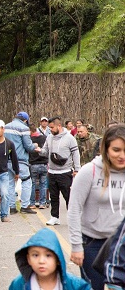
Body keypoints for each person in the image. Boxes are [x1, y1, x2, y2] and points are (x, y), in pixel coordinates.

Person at [67, 124, 125, 289]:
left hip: (121, 245)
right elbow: (74, 210)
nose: (122, 156)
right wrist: (76, 246)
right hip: (93, 243)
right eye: (116, 150)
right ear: (106, 149)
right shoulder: (90, 171)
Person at [9, 228, 91, 290]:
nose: (41, 261)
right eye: (35, 255)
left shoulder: (76, 286)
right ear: (28, 259)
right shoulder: (19, 285)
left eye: (48, 255)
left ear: (58, 259)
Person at [37, 117, 81, 226]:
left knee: (68, 196)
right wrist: (38, 150)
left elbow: (76, 154)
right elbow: (45, 151)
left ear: (59, 126)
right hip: (52, 172)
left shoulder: (70, 138)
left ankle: (74, 218)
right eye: (49, 127)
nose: (50, 129)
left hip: (65, 172)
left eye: (52, 127)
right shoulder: (49, 138)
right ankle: (54, 217)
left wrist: (77, 169)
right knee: (54, 196)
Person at [4, 112, 38, 215]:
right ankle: (25, 206)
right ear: (25, 120)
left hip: (7, 160)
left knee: (10, 183)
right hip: (20, 160)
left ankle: (12, 207)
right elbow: (28, 146)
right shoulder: (23, 128)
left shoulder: (6, 127)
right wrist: (35, 145)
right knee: (26, 181)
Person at [29, 124, 49, 209]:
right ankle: (42, 203)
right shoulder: (44, 138)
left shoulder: (29, 140)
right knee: (43, 184)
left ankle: (32, 203)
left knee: (32, 184)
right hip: (44, 163)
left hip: (33, 164)